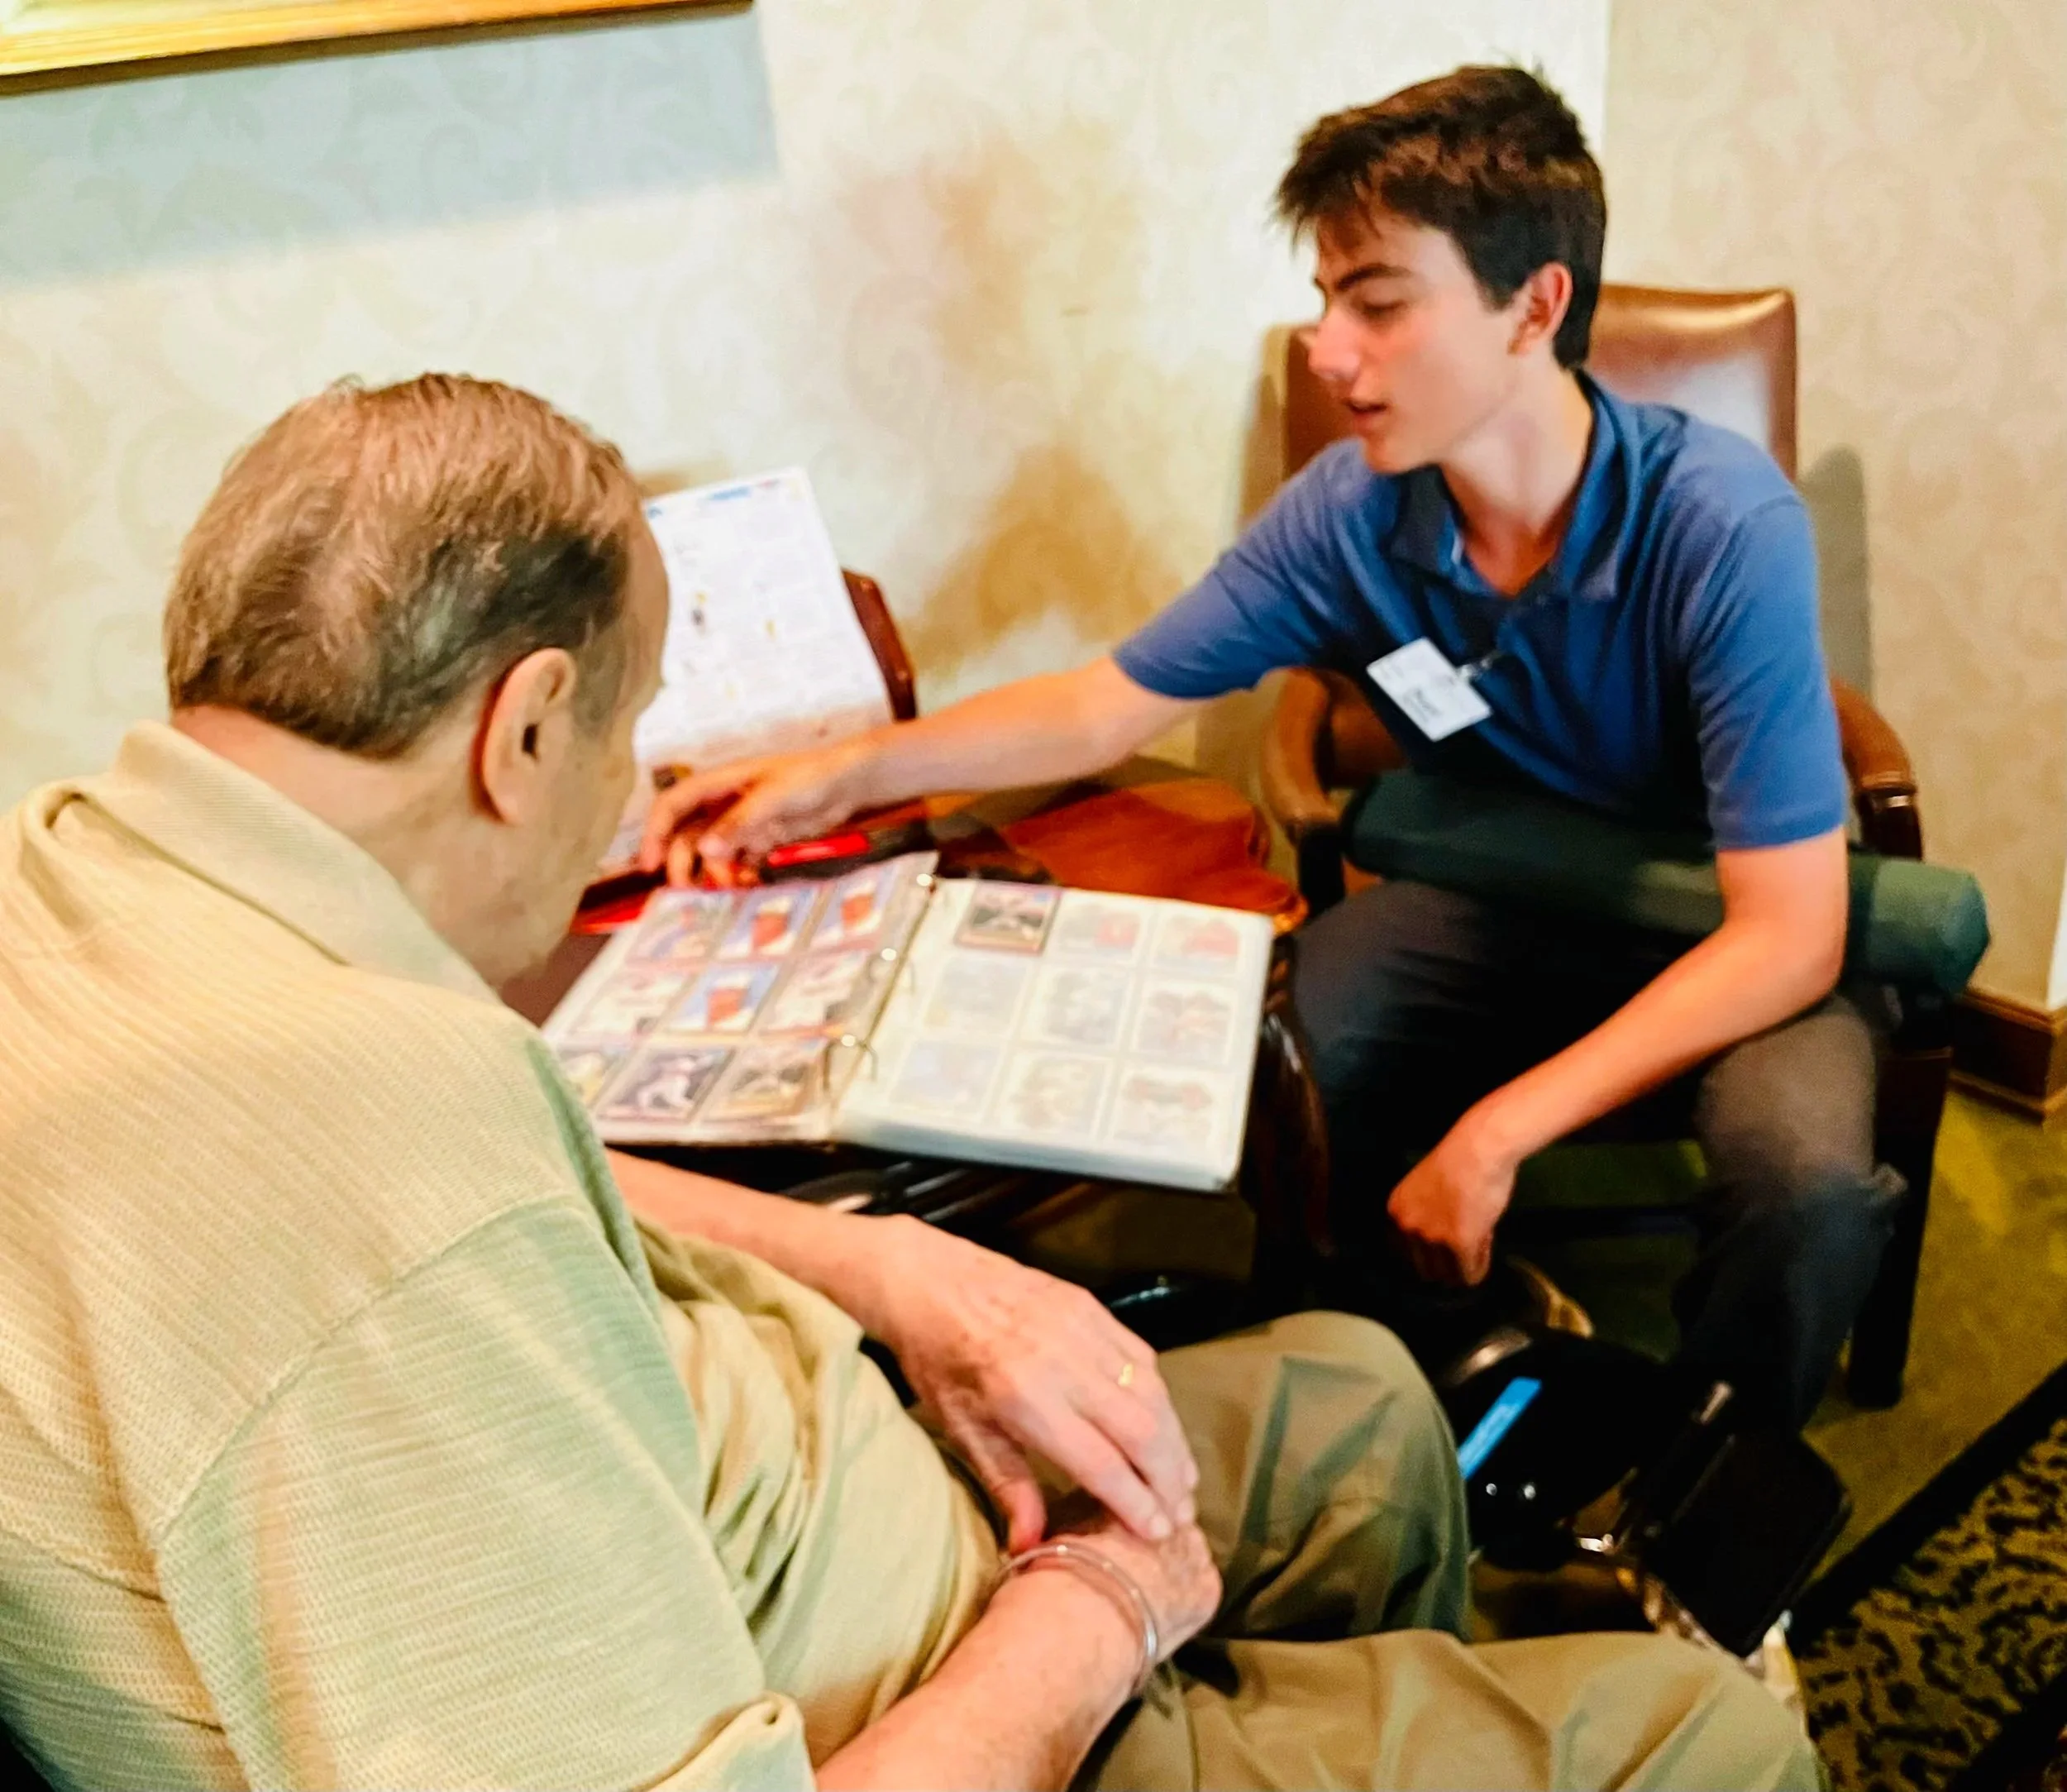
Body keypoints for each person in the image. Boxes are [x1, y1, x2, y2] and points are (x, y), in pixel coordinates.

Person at [0, 374, 1816, 1790]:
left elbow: (527, 1185)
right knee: (1703, 1737)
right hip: (907, 1679)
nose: (621, 796)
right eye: (625, 738)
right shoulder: (391, 1221)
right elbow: (1114, 692)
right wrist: (1095, 1618)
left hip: (834, 1486)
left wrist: (889, 1269)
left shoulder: (92, 884)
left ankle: (1293, 1701)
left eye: (1372, 298)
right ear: (525, 727)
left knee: (1354, 1393)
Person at [641, 65, 1901, 1430]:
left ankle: (1711, 1489)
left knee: (1807, 1179)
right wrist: (830, 771)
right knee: (1286, 1050)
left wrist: (1497, 1133)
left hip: (1711, 925)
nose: (1327, 348)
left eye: (1378, 303)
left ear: (1534, 305)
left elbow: (1790, 934)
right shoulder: (1352, 512)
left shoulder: (1720, 522)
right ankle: (1396, 1383)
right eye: (1322, 299)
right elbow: (1101, 701)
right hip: (1499, 895)